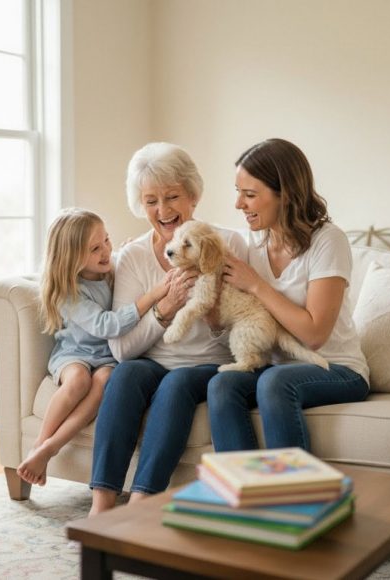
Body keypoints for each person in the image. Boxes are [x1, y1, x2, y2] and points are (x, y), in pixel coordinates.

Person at [89, 142, 247, 515]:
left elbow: (245, 327)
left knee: (177, 383)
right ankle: (101, 505)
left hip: (208, 364)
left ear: (193, 196)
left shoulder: (228, 244)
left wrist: (209, 314)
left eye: (173, 196)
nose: (163, 211)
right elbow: (122, 349)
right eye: (150, 201)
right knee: (125, 374)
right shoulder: (134, 256)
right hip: (151, 361)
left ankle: (141, 504)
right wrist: (165, 309)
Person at [208, 138, 370, 452]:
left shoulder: (328, 241)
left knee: (274, 382)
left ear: (285, 195)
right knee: (222, 384)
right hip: (278, 367)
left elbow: (314, 334)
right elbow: (199, 237)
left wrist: (257, 285)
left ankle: (293, 497)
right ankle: (243, 492)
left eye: (250, 195)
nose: (239, 204)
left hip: (336, 368)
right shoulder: (251, 243)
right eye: (238, 192)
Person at [17, 208, 168, 486]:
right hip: (74, 354)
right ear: (71, 258)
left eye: (107, 241)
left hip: (108, 357)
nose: (105, 251)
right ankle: (39, 445)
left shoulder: (111, 270)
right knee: (77, 382)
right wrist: (152, 297)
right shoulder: (68, 291)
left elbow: (127, 260)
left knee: (104, 381)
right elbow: (105, 325)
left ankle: (51, 448)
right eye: (95, 248)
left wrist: (125, 252)